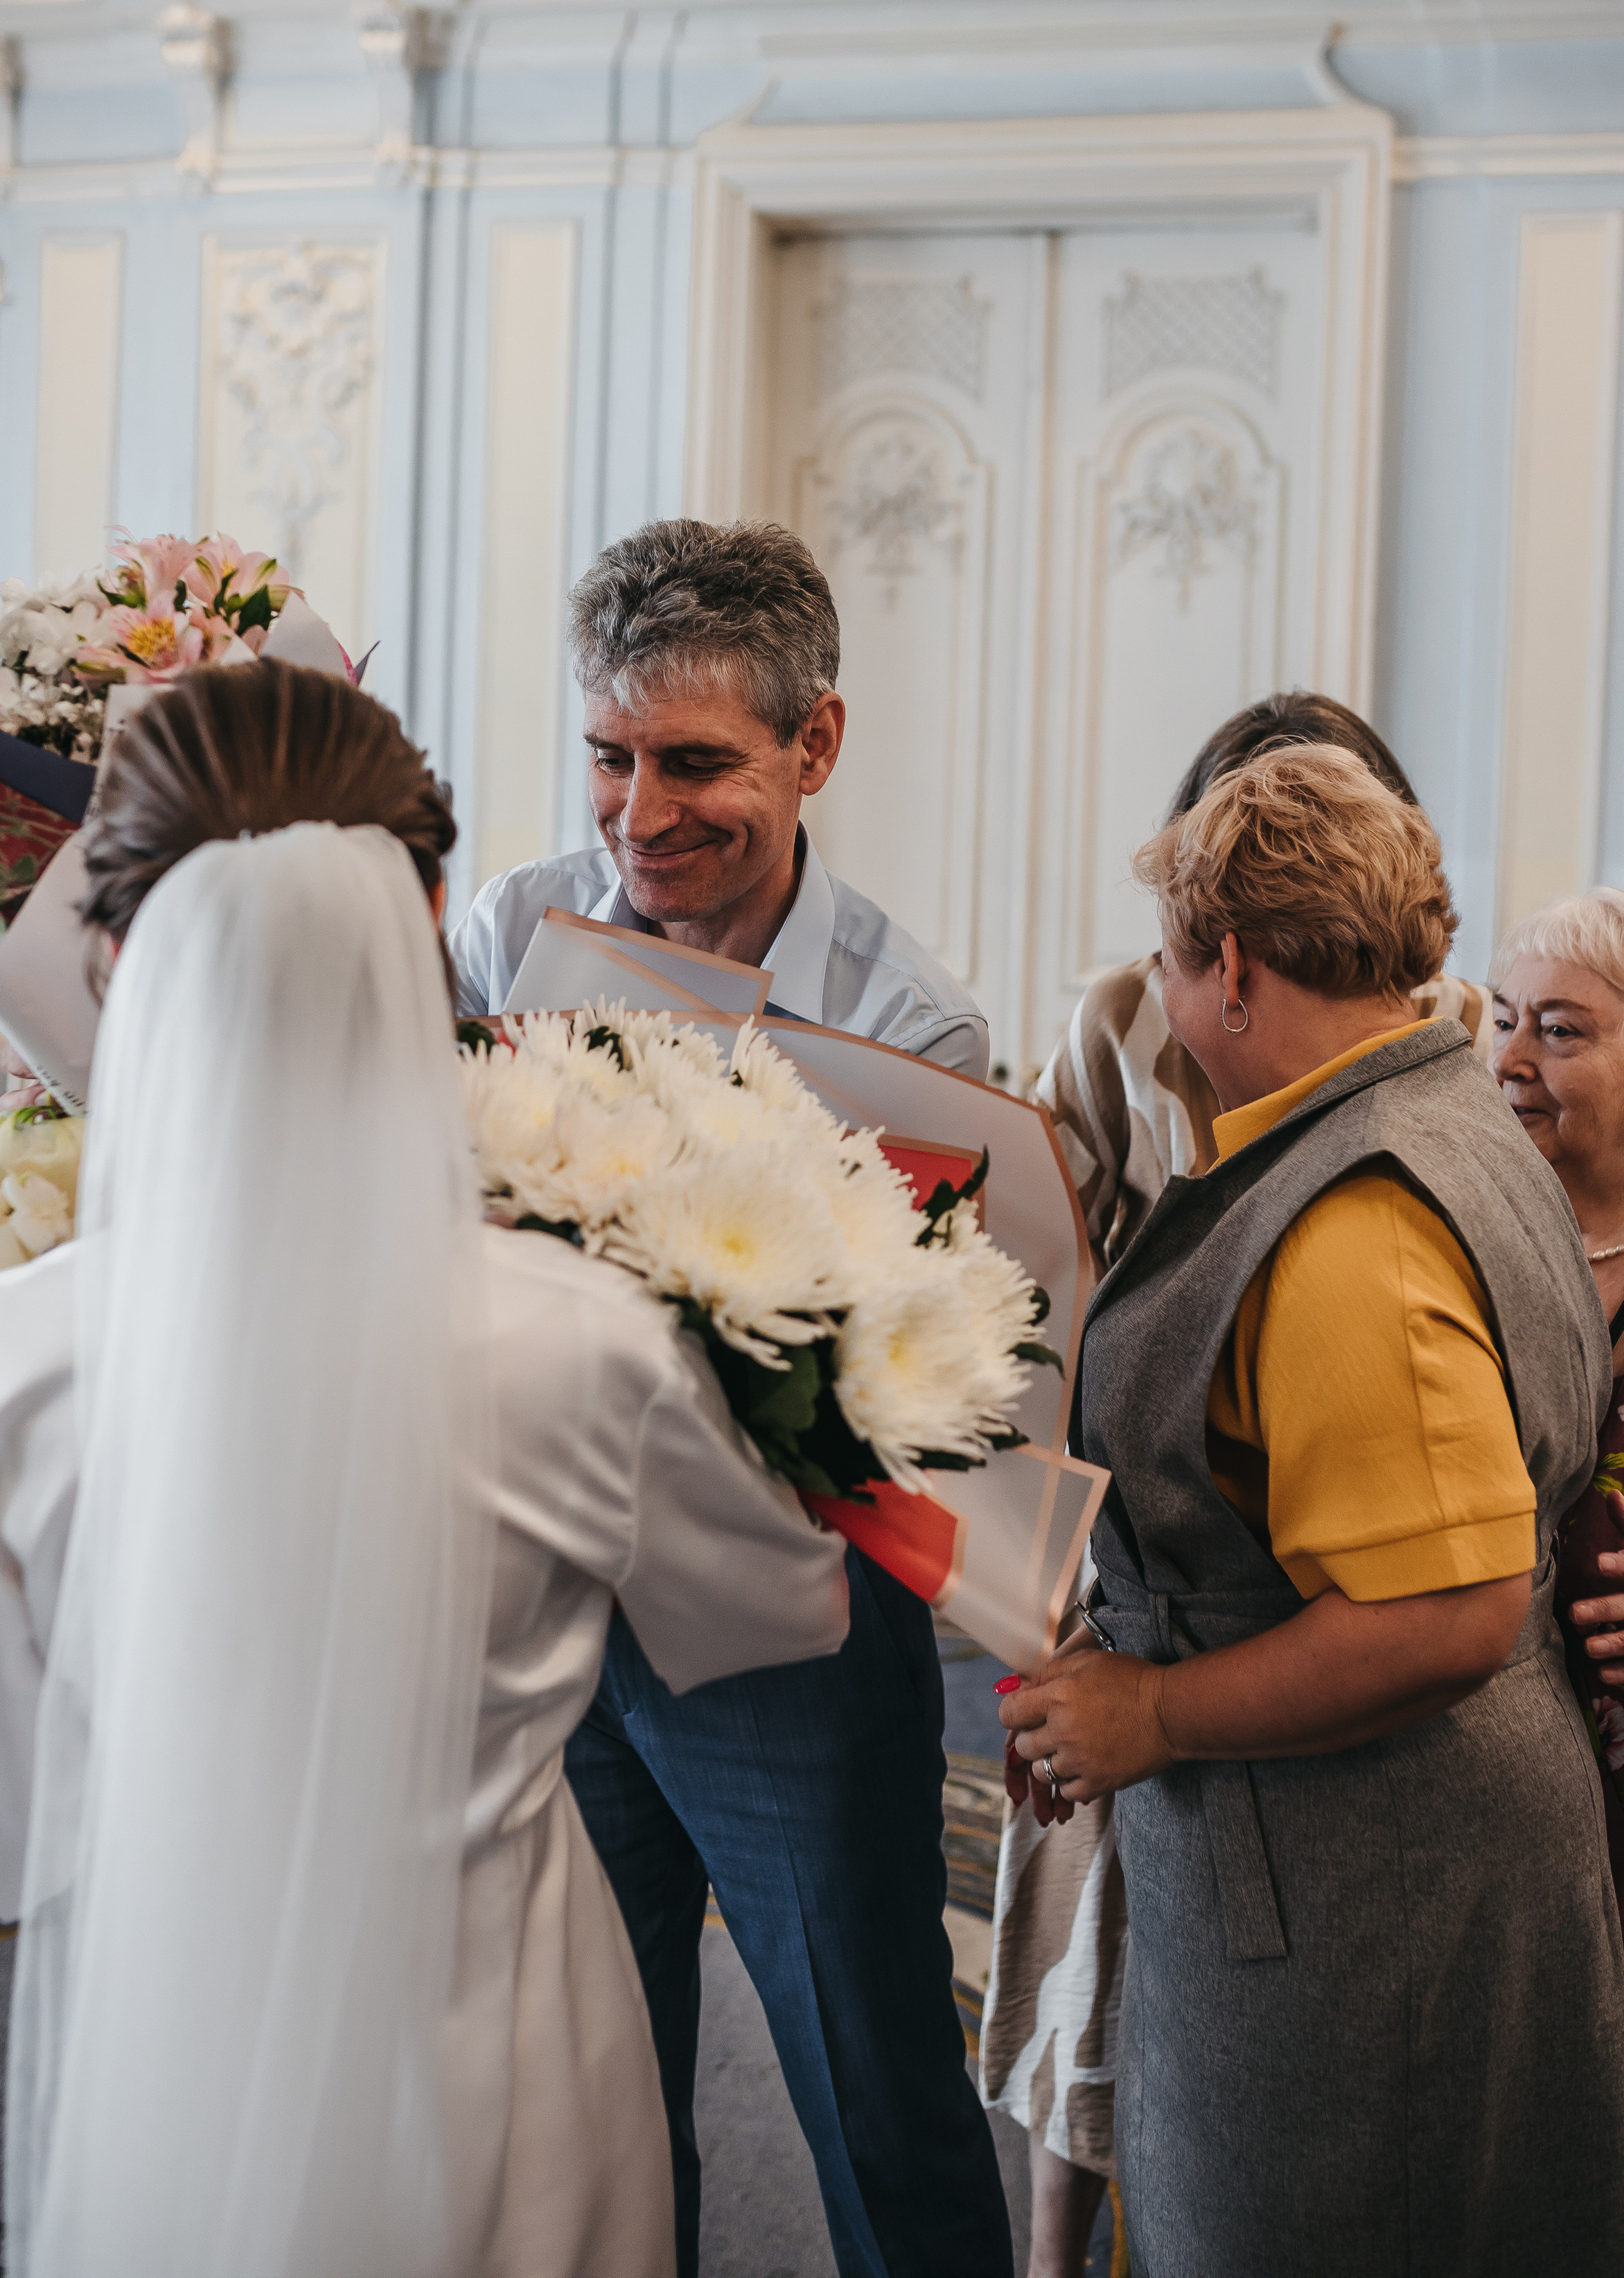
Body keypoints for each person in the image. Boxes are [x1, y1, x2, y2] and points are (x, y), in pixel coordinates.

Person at [0, 661, 851, 2278]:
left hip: (166, 2046)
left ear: (111, 950)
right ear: (420, 916)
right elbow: (770, 1614)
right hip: (506, 2036)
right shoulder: (583, 1337)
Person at [451, 518, 1011, 2278]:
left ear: (813, 748)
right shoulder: (511, 927)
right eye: (610, 759)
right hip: (549, 1604)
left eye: (696, 764)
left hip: (791, 1631)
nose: (640, 814)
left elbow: (919, 1396)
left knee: (870, 2078)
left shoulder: (914, 1025)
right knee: (587, 2099)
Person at [998, 743, 1624, 2278]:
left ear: (1225, 966)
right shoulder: (1435, 1109)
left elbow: (1450, 1609)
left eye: (1166, 960)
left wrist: (1148, 1714)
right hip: (1379, 1850)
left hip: (1375, 1889)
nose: (1161, 996)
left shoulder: (1354, 1219)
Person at [1491, 889, 1624, 2236]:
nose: (1507, 1061)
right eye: (1501, 1022)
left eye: (1557, 1030)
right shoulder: (1475, 1233)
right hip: (1483, 1784)